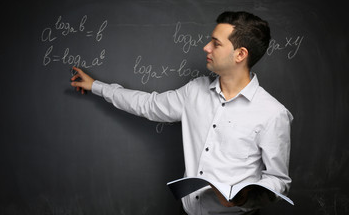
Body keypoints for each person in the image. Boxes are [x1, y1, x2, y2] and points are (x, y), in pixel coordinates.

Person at [70, 11, 293, 215]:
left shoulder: (273, 113)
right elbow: (148, 105)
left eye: (216, 44)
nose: (206, 47)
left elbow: (278, 179)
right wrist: (97, 86)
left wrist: (246, 197)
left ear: (240, 54)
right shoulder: (194, 91)